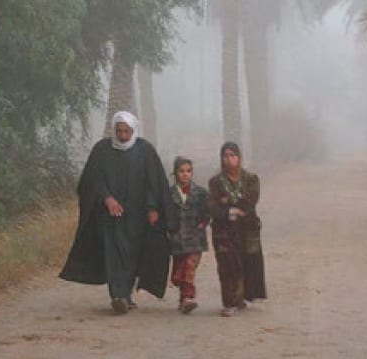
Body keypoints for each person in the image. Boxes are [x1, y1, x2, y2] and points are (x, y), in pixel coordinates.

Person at [59, 111, 172, 314]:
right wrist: (107, 198)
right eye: (119, 131)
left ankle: (126, 294)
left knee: (131, 255)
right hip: (109, 216)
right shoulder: (102, 150)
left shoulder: (145, 151)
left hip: (137, 216)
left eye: (126, 131)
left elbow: (154, 183)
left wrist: (153, 207)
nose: (122, 135)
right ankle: (117, 295)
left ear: (133, 130)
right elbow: (92, 180)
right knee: (113, 253)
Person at [208, 142, 265, 317]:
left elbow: (250, 201)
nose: (229, 159)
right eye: (225, 155)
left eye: (233, 155)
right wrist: (230, 210)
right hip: (223, 231)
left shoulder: (250, 179)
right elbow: (213, 206)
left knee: (246, 264)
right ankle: (229, 302)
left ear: (239, 157)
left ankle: (240, 297)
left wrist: (229, 202)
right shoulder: (216, 182)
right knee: (227, 265)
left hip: (246, 228)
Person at [165, 157, 210, 314]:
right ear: (175, 173)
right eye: (182, 171)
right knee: (180, 268)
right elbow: (166, 214)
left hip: (196, 237)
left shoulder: (201, 193)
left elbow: (208, 212)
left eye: (188, 171)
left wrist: (202, 224)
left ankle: (189, 297)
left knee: (190, 265)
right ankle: (183, 297)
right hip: (177, 238)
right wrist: (169, 228)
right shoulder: (169, 194)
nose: (185, 174)